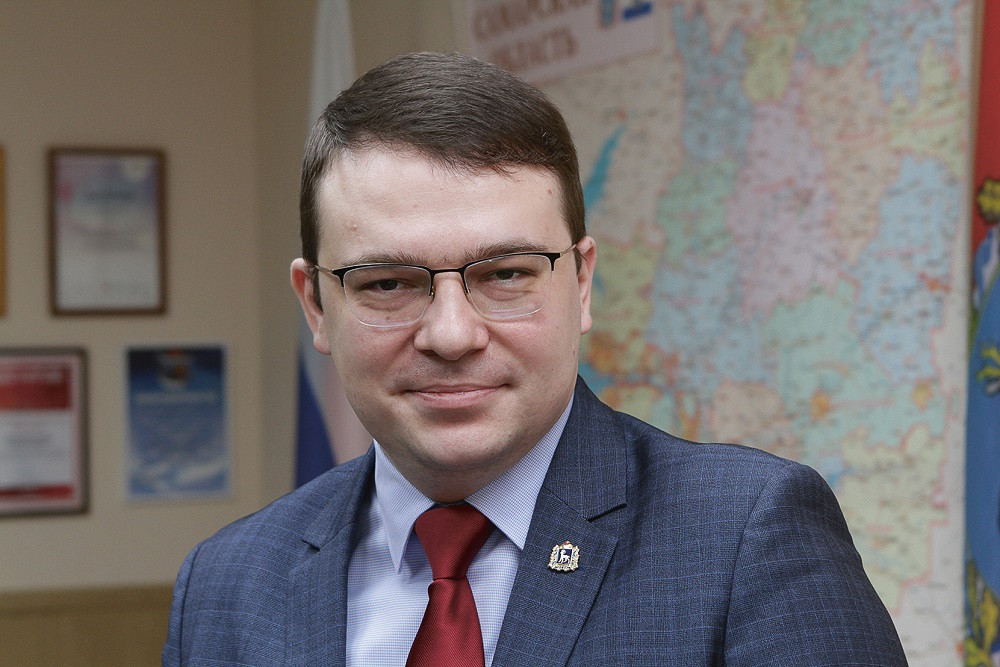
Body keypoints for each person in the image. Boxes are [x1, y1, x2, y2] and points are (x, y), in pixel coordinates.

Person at [163, 51, 907, 666]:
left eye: (506, 274)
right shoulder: (227, 585)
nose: (451, 335)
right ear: (317, 306)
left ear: (581, 283)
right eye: (388, 283)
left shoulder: (744, 539)